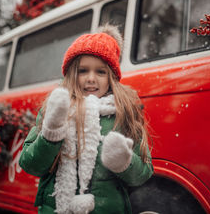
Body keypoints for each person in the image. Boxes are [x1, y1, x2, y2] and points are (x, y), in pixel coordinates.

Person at [19, 24, 153, 214]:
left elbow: (142, 175)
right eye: (83, 71)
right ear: (72, 73)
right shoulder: (56, 108)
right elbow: (30, 165)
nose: (91, 79)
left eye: (100, 72)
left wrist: (124, 162)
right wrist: (51, 135)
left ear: (111, 77)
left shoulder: (124, 112)